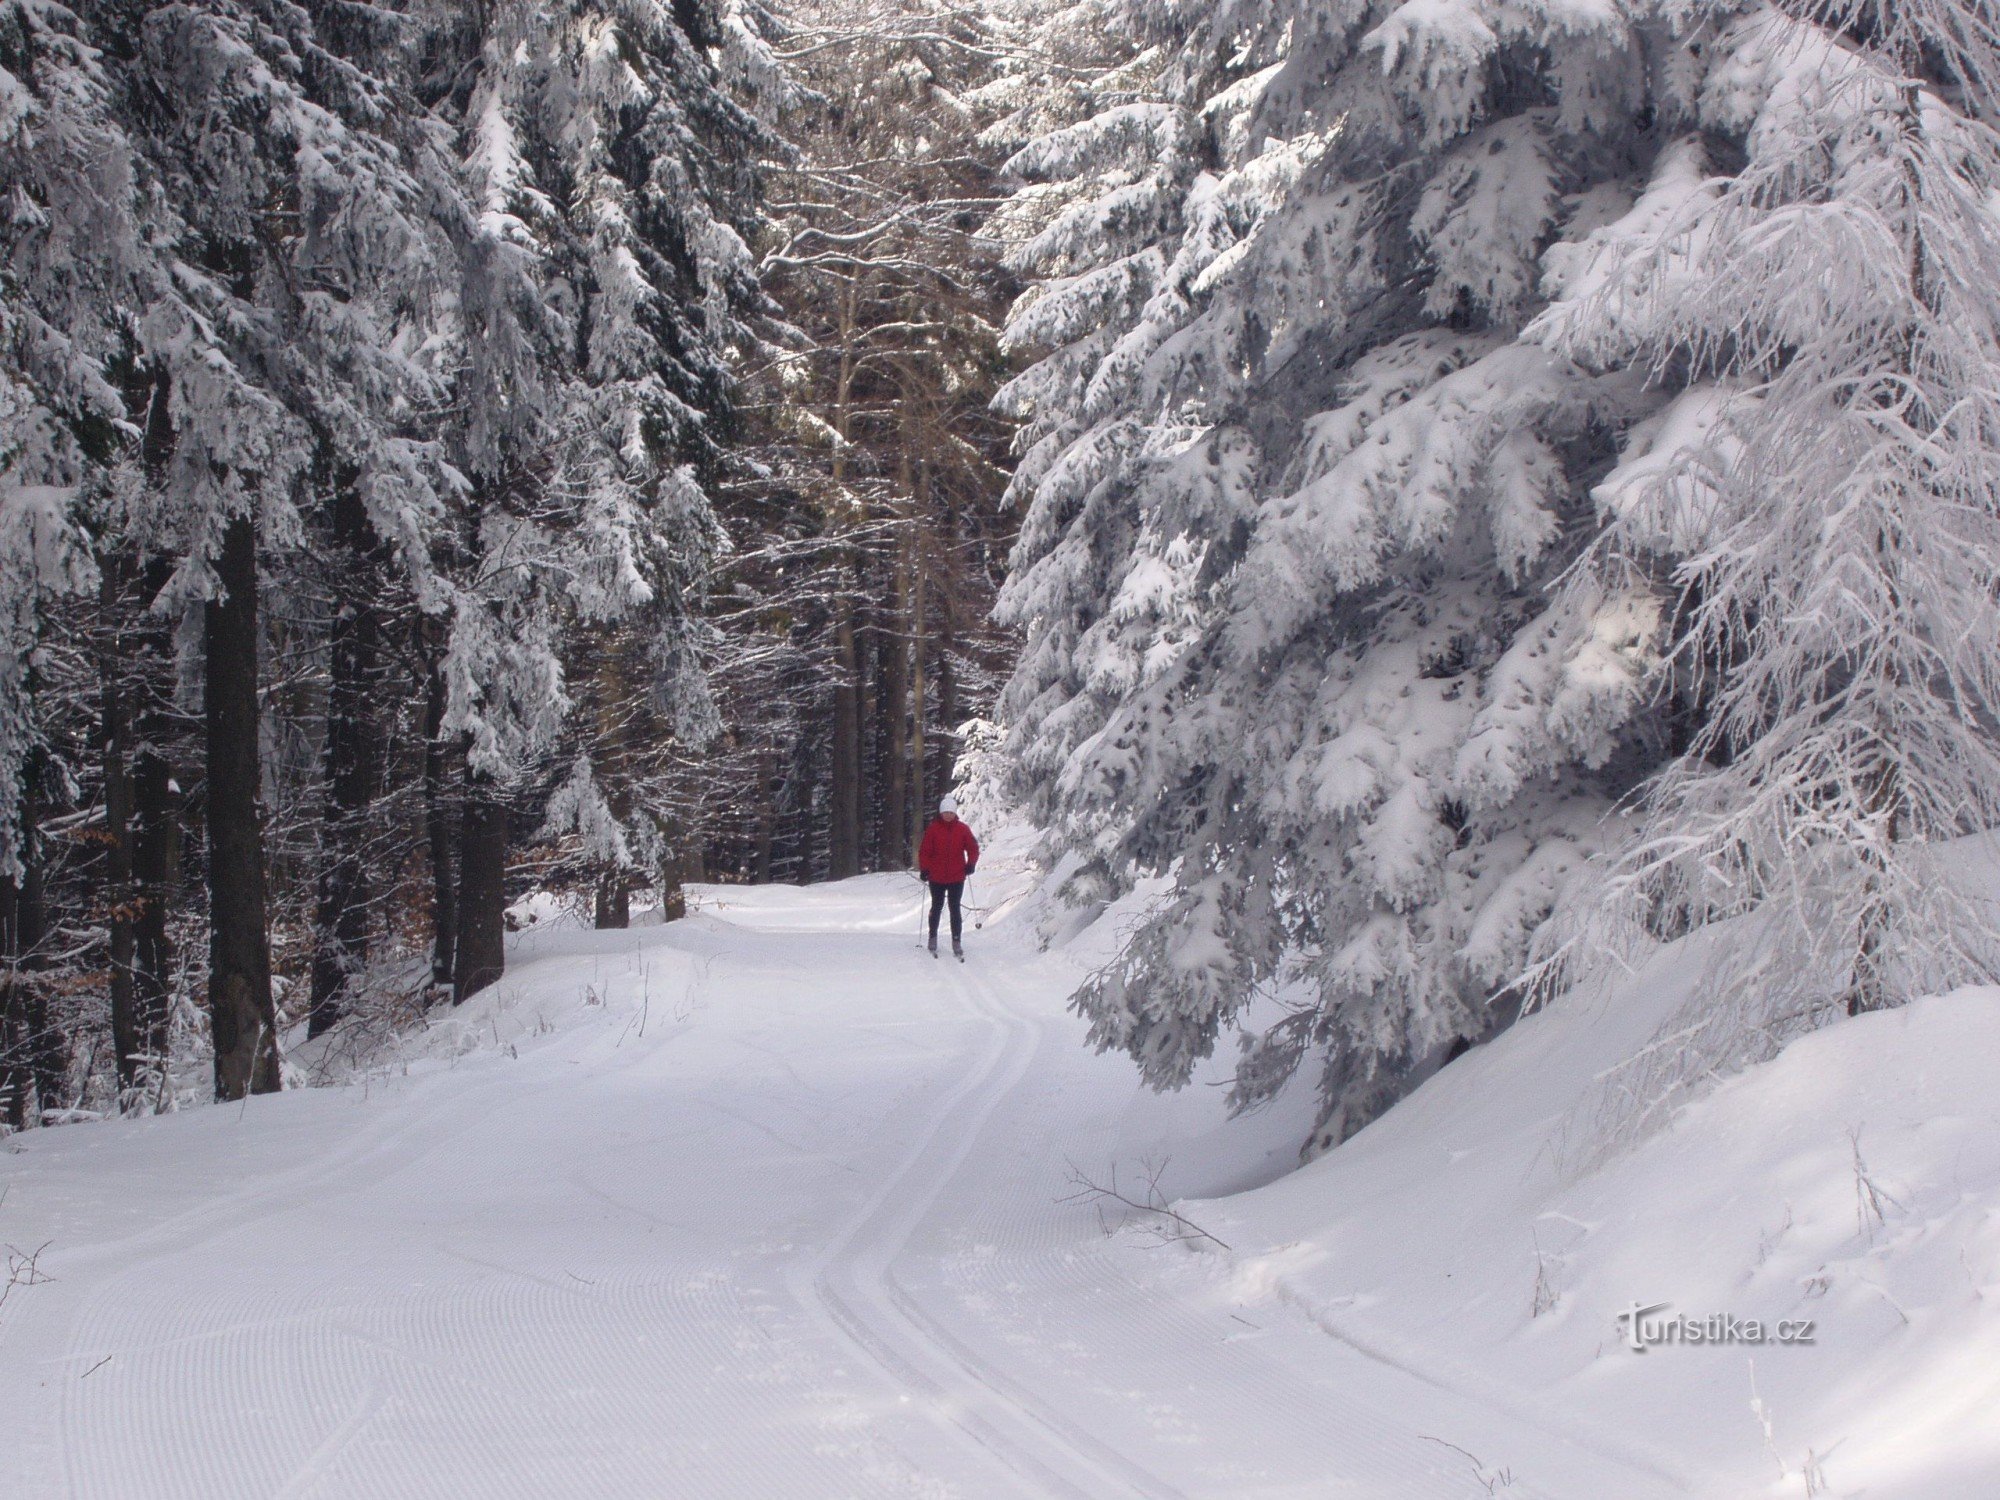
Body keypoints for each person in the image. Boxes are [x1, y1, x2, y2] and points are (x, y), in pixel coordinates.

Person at [917, 794, 979, 958]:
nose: (948, 815)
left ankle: (956, 941)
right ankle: (932, 937)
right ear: (941, 813)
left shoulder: (963, 829)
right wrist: (924, 869)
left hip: (956, 876)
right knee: (936, 907)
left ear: (955, 813)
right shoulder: (933, 829)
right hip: (936, 876)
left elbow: (973, 848)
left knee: (954, 908)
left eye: (951, 812)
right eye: (945, 812)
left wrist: (971, 864)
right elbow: (924, 851)